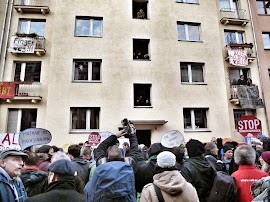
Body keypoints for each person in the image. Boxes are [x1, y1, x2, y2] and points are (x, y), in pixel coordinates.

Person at [84, 130, 136, 202]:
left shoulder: (101, 167)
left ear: (107, 157)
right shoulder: (129, 167)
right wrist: (132, 135)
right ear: (122, 156)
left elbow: (100, 148)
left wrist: (114, 136)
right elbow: (135, 149)